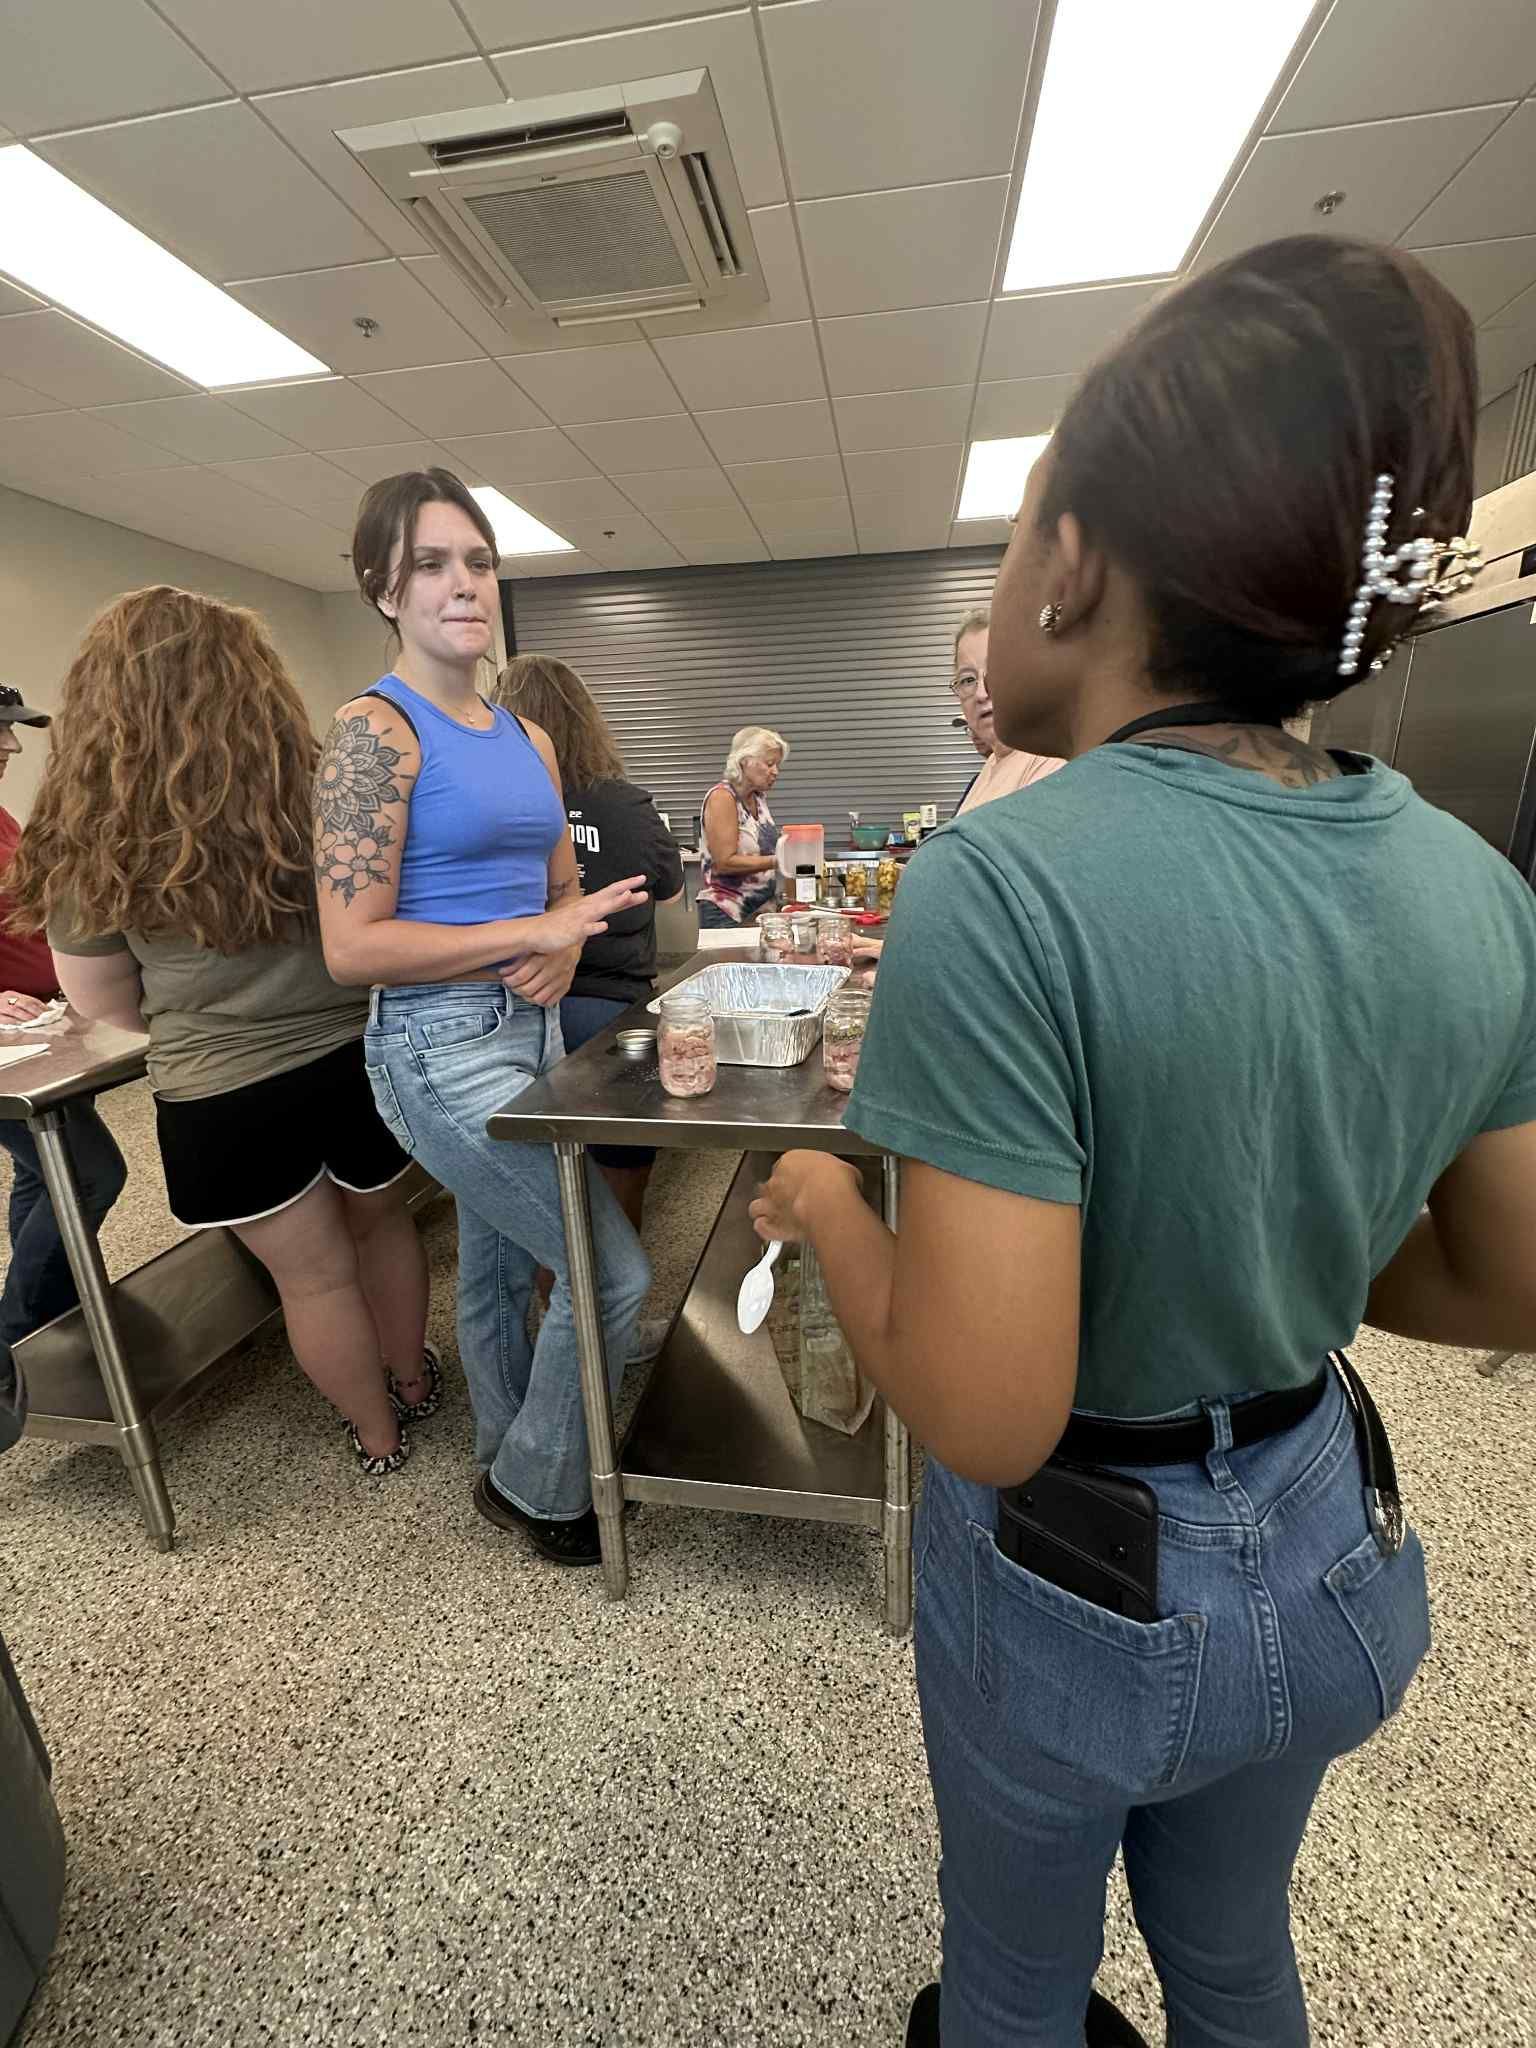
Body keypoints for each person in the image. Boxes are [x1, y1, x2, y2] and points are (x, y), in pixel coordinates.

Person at [747, 234, 1536, 2048]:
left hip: (1086, 1589)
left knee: (1018, 1978)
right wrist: (1287, 1237)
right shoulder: (1471, 885)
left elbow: (991, 1406)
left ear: (1075, 563)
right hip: (1333, 1548)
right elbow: (1510, 1263)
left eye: (1016, 532)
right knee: (1238, 1953)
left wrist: (824, 1208)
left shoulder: (1002, 888)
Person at [7, 589, 434, 1477]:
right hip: (360, 1058)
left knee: (310, 1279)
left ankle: (377, 1436)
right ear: (260, 684)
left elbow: (102, 1000)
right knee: (385, 1232)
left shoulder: (89, 830)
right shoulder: (321, 786)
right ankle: (417, 1381)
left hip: (220, 1088)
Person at [317, 468, 652, 1568]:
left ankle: (512, 1443)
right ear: (382, 585)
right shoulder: (373, 733)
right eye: (430, 563)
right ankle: (542, 1482)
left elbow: (559, 889)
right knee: (610, 1272)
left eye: (478, 560)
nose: (463, 584)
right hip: (430, 1042)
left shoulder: (528, 737)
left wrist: (557, 937)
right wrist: (527, 941)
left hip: (528, 1029)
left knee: (507, 1266)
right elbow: (351, 944)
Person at [491, 653, 684, 1237]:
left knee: (548, 1190)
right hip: (616, 1018)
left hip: (518, 1015)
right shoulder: (628, 805)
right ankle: (611, 1315)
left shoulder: (499, 808)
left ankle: (563, 1312)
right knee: (623, 1169)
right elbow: (670, 887)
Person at [0, 683, 126, 1419]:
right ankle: (15, 1341)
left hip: (39, 1034)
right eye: (1, 734)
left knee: (40, 1178)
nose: (13, 747)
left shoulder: (5, 817)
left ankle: (49, 1321)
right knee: (87, 1173)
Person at [950, 606, 1065, 814]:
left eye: (996, 671)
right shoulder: (993, 764)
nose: (981, 694)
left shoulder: (1052, 762)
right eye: (968, 679)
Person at [695, 726, 786, 928]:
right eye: (769, 763)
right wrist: (779, 861)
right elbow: (724, 862)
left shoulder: (758, 798)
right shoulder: (722, 797)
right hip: (726, 913)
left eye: (777, 765)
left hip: (760, 909)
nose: (775, 772)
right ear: (744, 760)